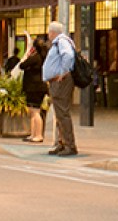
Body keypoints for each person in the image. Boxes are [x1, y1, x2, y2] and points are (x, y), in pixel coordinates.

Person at [42, 21, 78, 156]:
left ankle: (69, 145)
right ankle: (62, 143)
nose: (48, 34)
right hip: (57, 81)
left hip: (61, 82)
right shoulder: (59, 42)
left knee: (63, 114)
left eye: (49, 32)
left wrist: (63, 73)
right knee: (59, 114)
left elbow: (68, 56)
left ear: (52, 32)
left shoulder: (61, 41)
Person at [18, 34, 50, 143]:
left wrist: (27, 55)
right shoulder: (44, 57)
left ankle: (38, 135)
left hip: (34, 87)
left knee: (35, 111)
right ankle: (33, 134)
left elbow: (22, 65)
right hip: (38, 87)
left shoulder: (35, 58)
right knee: (32, 111)